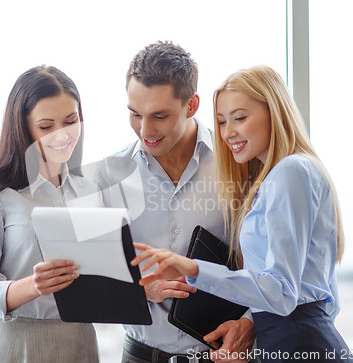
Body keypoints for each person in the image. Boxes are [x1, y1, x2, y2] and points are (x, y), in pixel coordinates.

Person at [131, 65, 353, 363]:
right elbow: (327, 298)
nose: (228, 132)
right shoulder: (280, 175)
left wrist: (193, 269)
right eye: (222, 121)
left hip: (294, 341)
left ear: (274, 112)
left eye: (240, 118)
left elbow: (281, 292)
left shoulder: (290, 171)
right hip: (288, 340)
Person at [96, 41, 256, 363]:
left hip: (224, 355)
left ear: (192, 104)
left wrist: (252, 322)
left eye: (159, 116)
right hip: (140, 355)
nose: (145, 130)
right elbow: (93, 280)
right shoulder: (108, 175)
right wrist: (142, 291)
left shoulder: (240, 164)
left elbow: (271, 264)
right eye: (135, 114)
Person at [0, 65, 101, 362]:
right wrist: (32, 286)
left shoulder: (89, 189)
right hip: (16, 344)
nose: (62, 136)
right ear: (22, 127)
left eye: (71, 121)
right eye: (46, 126)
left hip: (80, 341)